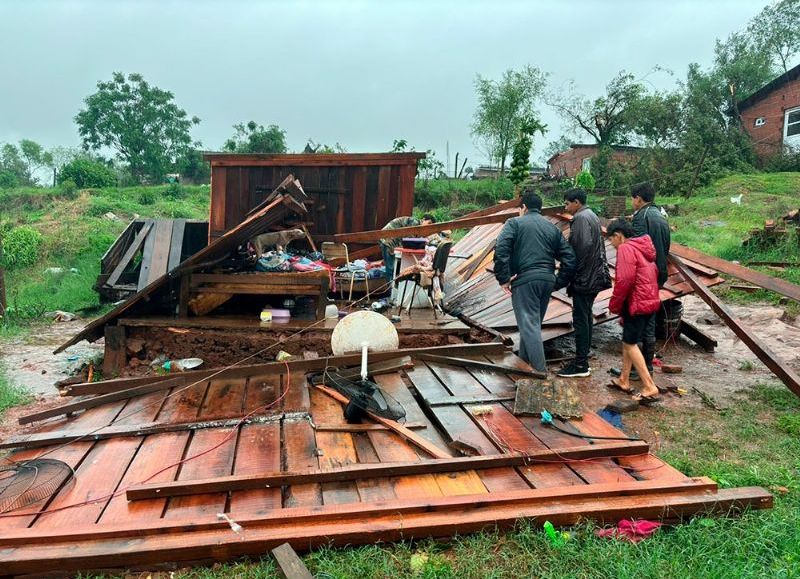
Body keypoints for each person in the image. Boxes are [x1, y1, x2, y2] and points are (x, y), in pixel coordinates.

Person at [494, 192, 576, 373]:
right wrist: (557, 282)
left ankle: (540, 373)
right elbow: (569, 258)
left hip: (525, 281)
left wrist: (503, 278)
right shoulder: (552, 229)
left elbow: (501, 249)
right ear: (539, 208)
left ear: (523, 207)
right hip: (546, 279)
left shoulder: (514, 223)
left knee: (529, 325)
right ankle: (523, 364)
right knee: (531, 325)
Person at [605, 219, 661, 404]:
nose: (611, 244)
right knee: (627, 340)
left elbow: (625, 280)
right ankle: (624, 379)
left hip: (636, 302)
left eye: (611, 240)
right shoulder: (642, 248)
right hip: (649, 300)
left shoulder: (626, 249)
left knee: (630, 344)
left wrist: (614, 304)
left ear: (618, 236)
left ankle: (649, 385)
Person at [557, 188, 611, 378]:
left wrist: (568, 274)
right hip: (594, 276)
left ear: (577, 202)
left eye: (567, 203)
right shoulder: (592, 216)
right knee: (586, 316)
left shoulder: (580, 219)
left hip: (585, 278)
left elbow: (580, 249)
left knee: (581, 319)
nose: (566, 207)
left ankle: (580, 364)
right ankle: (583, 356)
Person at [631, 182, 671, 376]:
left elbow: (638, 249)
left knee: (638, 322)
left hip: (644, 275)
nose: (632, 202)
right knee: (649, 320)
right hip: (659, 274)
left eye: (633, 198)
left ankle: (637, 369)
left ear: (638, 198)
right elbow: (666, 247)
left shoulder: (641, 217)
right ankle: (646, 367)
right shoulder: (661, 216)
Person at [379, 214, 435, 283]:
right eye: (428, 223)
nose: (428, 226)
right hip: (387, 240)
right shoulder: (414, 223)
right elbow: (410, 239)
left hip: (389, 239)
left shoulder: (417, 225)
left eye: (430, 225)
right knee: (390, 268)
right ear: (423, 220)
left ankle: (391, 285)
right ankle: (390, 289)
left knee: (391, 266)